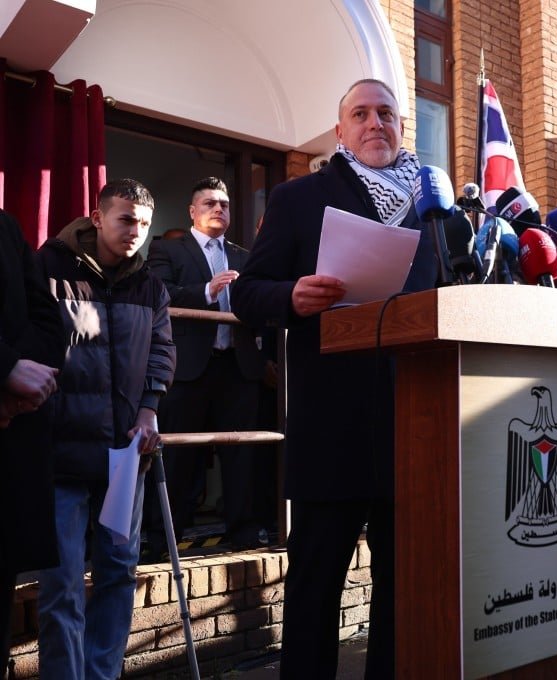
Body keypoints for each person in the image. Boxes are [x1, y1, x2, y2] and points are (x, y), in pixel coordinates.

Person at [231, 78, 437, 679]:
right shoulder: (302, 198)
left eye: (387, 114)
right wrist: (292, 294)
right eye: (361, 114)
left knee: (402, 588)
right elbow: (247, 293)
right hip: (332, 430)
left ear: (401, 128)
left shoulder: (431, 211)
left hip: (413, 426)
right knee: (317, 588)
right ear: (340, 129)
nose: (377, 123)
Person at [34, 179, 175, 680]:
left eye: (143, 221)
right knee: (62, 586)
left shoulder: (151, 285)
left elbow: (161, 351)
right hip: (61, 455)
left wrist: (149, 409)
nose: (135, 230)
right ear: (97, 217)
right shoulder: (48, 270)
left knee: (118, 575)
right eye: (125, 218)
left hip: (123, 459)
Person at [146, 177, 265, 553]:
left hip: (238, 366)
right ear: (192, 211)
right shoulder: (168, 249)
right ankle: (166, 537)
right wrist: (207, 291)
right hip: (189, 368)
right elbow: (159, 293)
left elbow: (260, 304)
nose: (219, 209)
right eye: (210, 203)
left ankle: (244, 534)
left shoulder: (246, 256)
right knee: (181, 454)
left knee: (242, 453)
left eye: (225, 204)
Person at [0, 210, 64, 675]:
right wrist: (4, 371)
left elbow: (46, 315)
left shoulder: (5, 226)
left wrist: (19, 385)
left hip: (10, 442)